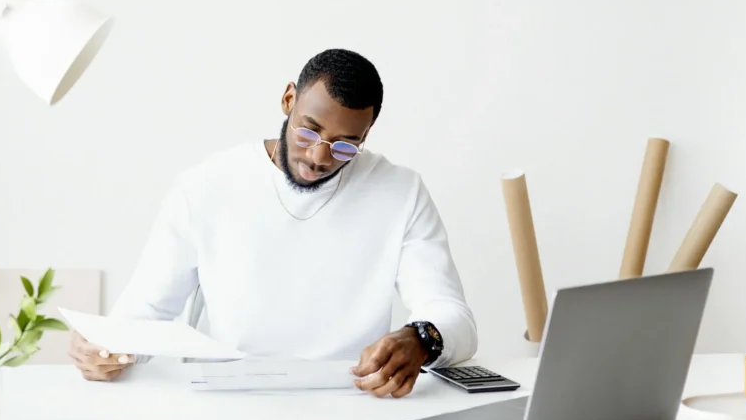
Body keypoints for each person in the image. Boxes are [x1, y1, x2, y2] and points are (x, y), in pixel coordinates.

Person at [69, 48, 478, 398]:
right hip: (227, 400)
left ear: (366, 134)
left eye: (344, 146)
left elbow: (453, 316)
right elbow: (145, 312)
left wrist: (421, 339)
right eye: (309, 131)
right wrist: (105, 348)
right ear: (288, 100)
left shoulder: (400, 192)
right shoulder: (206, 185)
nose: (319, 157)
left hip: (349, 402)